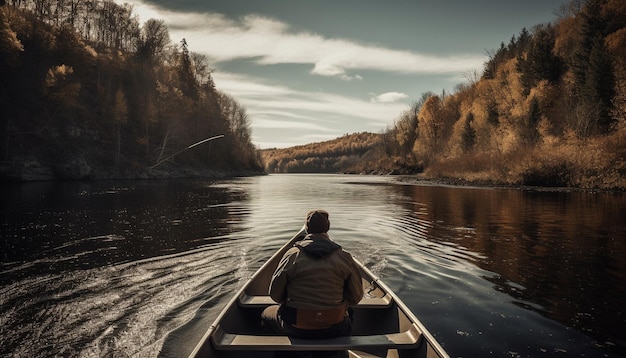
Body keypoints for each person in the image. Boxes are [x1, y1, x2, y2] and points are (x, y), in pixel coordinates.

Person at [261, 210, 364, 342]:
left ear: (307, 228)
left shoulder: (292, 255)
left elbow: (275, 295)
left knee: (266, 314)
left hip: (295, 327)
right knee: (350, 313)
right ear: (328, 228)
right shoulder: (344, 257)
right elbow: (355, 298)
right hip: (335, 327)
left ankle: (285, 352)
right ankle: (335, 352)